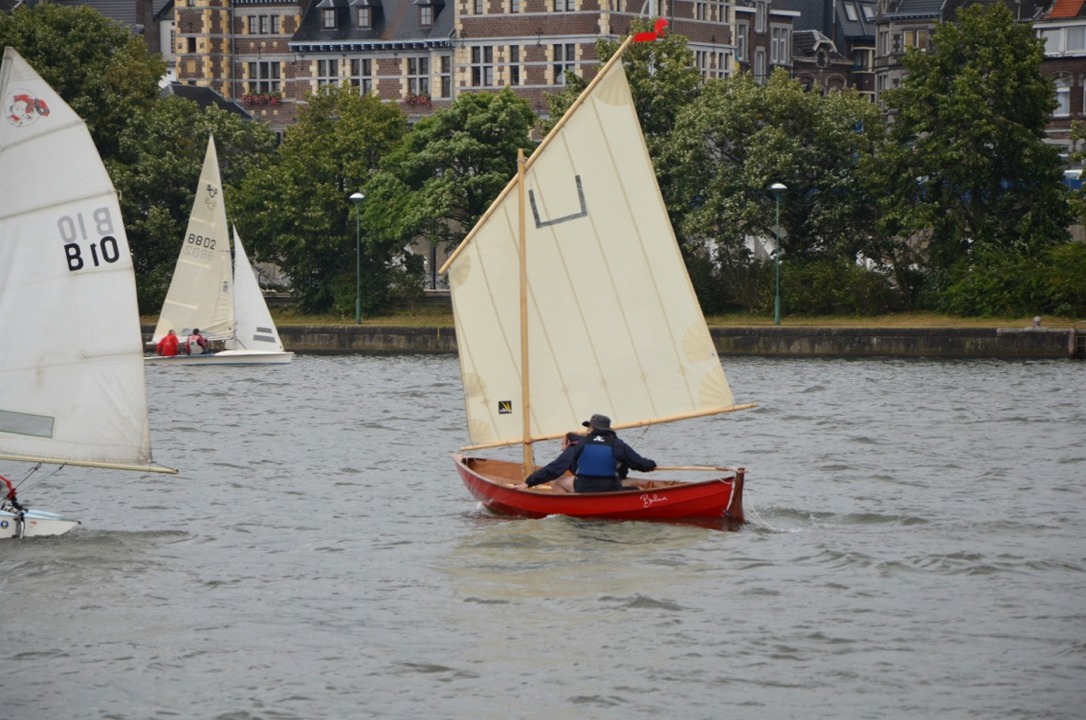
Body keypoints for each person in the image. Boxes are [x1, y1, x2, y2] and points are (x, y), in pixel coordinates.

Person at [516, 414, 656, 493]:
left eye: (588, 427)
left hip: (583, 489)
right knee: (636, 488)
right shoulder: (618, 444)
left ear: (592, 428)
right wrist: (652, 464)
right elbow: (641, 464)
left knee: (557, 481)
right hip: (610, 489)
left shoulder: (580, 444)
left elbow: (555, 468)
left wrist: (528, 483)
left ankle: (569, 508)